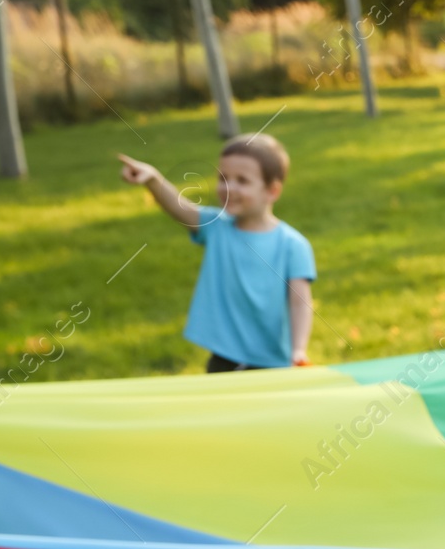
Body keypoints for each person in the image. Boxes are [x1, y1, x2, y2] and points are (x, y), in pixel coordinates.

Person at [117, 133, 315, 372]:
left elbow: (300, 303)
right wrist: (153, 179)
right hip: (223, 357)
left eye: (242, 180)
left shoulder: (293, 245)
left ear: (272, 191)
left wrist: (298, 349)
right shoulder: (216, 225)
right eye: (223, 178)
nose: (228, 188)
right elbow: (180, 209)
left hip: (273, 363)